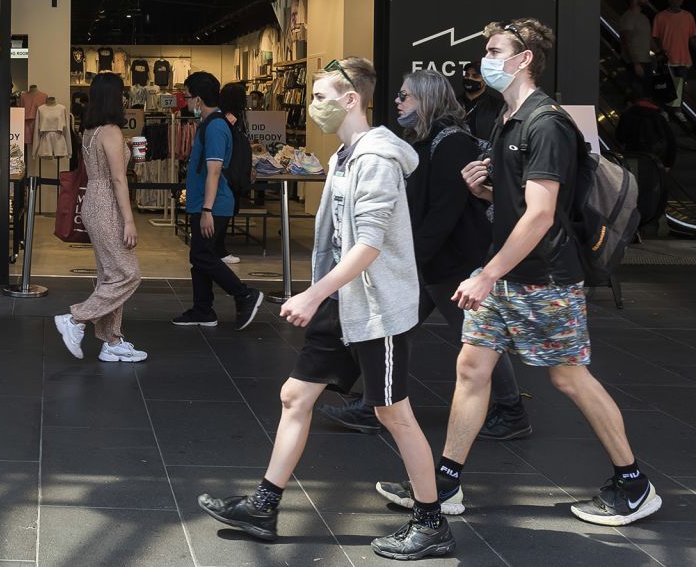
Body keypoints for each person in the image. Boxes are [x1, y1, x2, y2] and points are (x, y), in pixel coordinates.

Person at [377, 19, 663, 527]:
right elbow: (520, 204)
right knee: (471, 369)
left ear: (524, 58)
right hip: (508, 274)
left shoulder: (545, 123)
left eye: (493, 51)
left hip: (544, 278)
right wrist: (485, 192)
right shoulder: (507, 118)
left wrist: (486, 273)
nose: (483, 61)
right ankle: (445, 484)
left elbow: (540, 215)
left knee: (569, 377)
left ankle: (634, 484)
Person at [199, 57, 454, 560]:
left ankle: (431, 522)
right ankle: (264, 506)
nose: (313, 105)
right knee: (295, 396)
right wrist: (324, 294)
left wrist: (313, 293)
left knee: (392, 412)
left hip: (376, 306)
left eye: (320, 96)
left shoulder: (376, 158)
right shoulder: (343, 156)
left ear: (350, 99)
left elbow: (370, 245)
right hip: (344, 301)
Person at [320, 70, 530, 441]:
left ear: (427, 98)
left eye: (406, 96)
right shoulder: (421, 139)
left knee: (476, 337)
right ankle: (375, 403)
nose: (398, 102)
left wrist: (410, 258)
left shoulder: (450, 142)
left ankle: (512, 409)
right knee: (392, 327)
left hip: (452, 263)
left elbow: (443, 211)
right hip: (433, 260)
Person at [54, 73, 148, 363]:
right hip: (107, 204)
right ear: (114, 97)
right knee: (127, 274)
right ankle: (76, 319)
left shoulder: (91, 131)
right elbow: (119, 181)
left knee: (110, 274)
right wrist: (130, 220)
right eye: (121, 93)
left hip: (92, 201)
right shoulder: (111, 132)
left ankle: (112, 340)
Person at [171, 72, 263, 331]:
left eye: (187, 96)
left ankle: (244, 294)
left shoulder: (215, 127)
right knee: (201, 255)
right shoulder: (212, 124)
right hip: (205, 203)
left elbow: (214, 170)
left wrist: (207, 209)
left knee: (202, 256)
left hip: (212, 204)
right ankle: (203, 308)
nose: (185, 102)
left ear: (198, 99)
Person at [217, 82, 248, 265]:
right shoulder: (229, 117)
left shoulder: (224, 116)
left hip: (230, 167)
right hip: (230, 168)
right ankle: (218, 248)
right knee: (225, 205)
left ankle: (218, 247)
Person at [617, 80, 677, 170]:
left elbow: (620, 138)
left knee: (635, 182)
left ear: (629, 103)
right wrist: (668, 163)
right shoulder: (659, 116)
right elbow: (670, 141)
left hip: (633, 157)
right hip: (656, 159)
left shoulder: (627, 115)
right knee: (653, 183)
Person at [652, 0, 696, 105]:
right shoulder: (660, 16)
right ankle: (666, 110)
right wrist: (659, 52)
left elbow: (692, 38)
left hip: (684, 59)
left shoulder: (688, 16)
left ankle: (676, 111)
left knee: (679, 88)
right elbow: (654, 37)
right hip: (666, 59)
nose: (680, 0)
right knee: (665, 86)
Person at [458, 62, 504, 142]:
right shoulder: (452, 103)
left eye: (475, 76)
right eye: (467, 75)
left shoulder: (497, 106)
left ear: (486, 80)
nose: (469, 78)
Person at [617, 0, 655, 77]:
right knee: (639, 89)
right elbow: (626, 41)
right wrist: (636, 63)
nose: (647, 0)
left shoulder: (644, 18)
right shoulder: (628, 17)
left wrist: (658, 52)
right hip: (633, 63)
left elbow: (648, 38)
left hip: (646, 61)